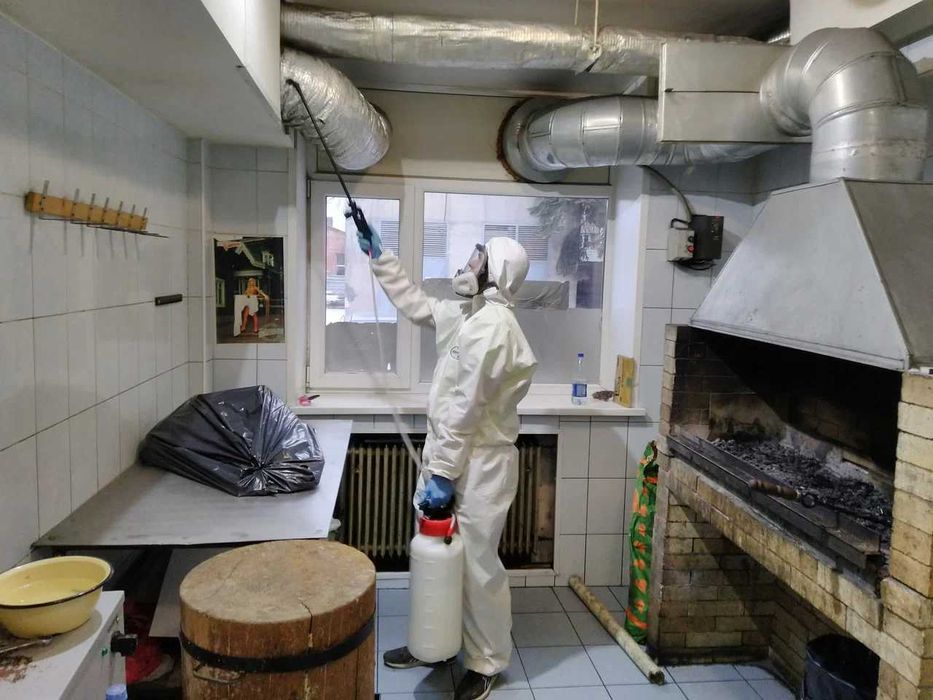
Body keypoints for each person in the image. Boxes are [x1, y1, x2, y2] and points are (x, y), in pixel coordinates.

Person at [353, 209, 537, 700]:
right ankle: (432, 643)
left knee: (475, 568)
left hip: (479, 464)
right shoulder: (469, 314)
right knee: (435, 556)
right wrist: (379, 255)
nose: (467, 264)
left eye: (477, 260)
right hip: (450, 455)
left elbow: (466, 407)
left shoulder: (495, 328)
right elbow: (417, 304)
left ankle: (485, 661)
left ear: (494, 274)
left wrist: (443, 473)